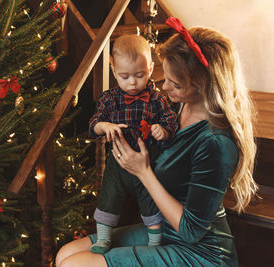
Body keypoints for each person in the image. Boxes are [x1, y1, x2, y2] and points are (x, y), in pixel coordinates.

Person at [56, 17, 258, 267]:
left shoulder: (215, 143)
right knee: (66, 253)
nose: (164, 86)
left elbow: (190, 232)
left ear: (202, 86)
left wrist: (142, 171)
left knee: (74, 265)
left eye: (174, 83)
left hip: (202, 254)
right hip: (165, 231)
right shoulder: (178, 107)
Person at [88, 34, 177, 254]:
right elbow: (94, 124)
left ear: (150, 67)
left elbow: (170, 121)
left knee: (150, 201)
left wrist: (162, 130)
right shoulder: (110, 99)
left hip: (147, 162)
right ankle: (103, 239)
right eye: (124, 76)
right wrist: (105, 126)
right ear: (113, 69)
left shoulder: (157, 99)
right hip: (117, 164)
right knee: (109, 196)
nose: (132, 83)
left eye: (139, 75)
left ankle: (155, 243)